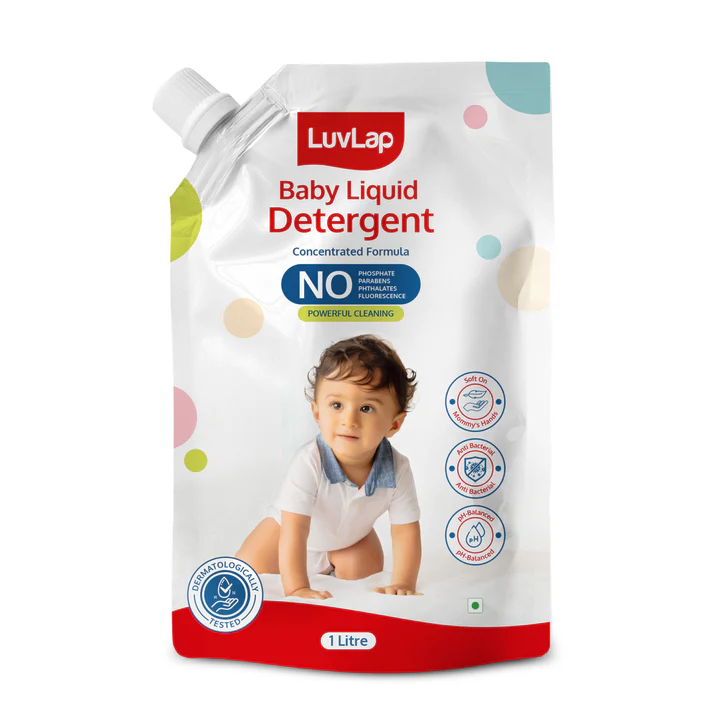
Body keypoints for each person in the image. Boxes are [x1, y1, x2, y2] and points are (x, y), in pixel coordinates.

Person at [236, 335, 422, 599]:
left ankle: (333, 567)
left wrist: (404, 581)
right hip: (284, 533)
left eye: (366, 408)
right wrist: (297, 587)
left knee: (365, 573)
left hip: (349, 540)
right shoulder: (309, 461)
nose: (349, 420)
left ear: (394, 424)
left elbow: (405, 531)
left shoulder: (398, 469)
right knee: (246, 572)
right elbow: (295, 530)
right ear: (317, 413)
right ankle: (298, 573)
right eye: (337, 405)